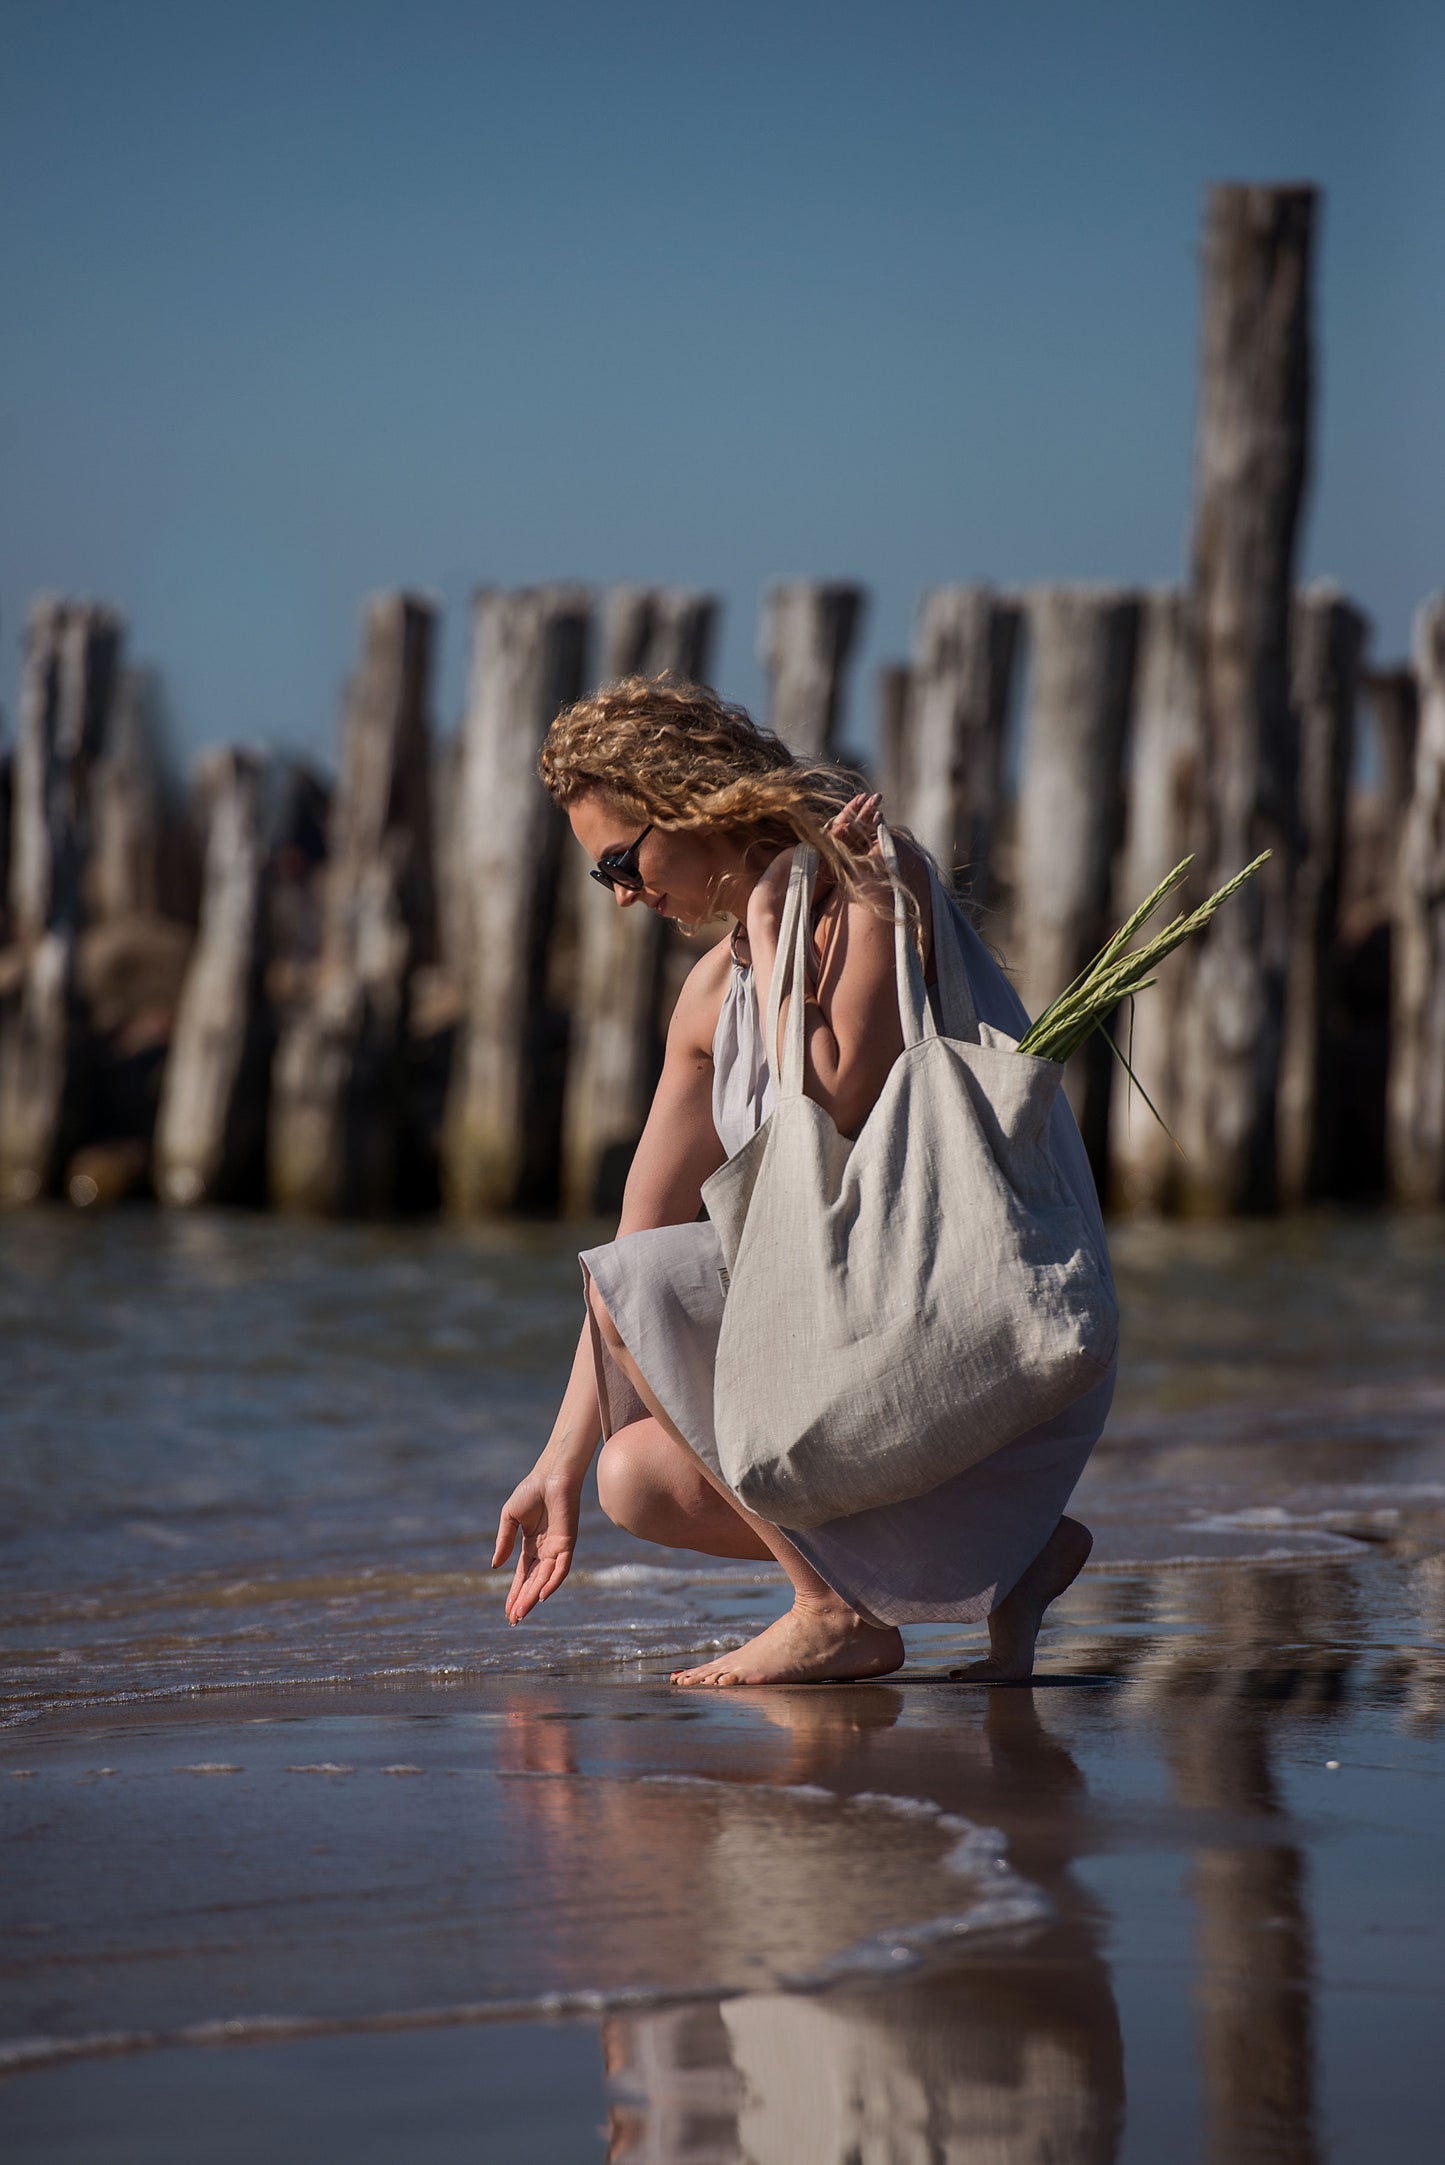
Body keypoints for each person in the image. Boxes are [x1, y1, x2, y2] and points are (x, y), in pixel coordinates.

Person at [492, 677, 1114, 1686]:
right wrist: (553, 1461)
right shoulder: (709, 995)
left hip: (980, 1334)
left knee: (645, 1288)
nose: (618, 895)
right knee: (629, 1476)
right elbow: (629, 1244)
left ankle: (832, 1612)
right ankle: (1016, 1559)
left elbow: (831, 1087)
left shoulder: (876, 877)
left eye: (619, 859)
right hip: (875, 1361)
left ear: (689, 803)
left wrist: (782, 928)